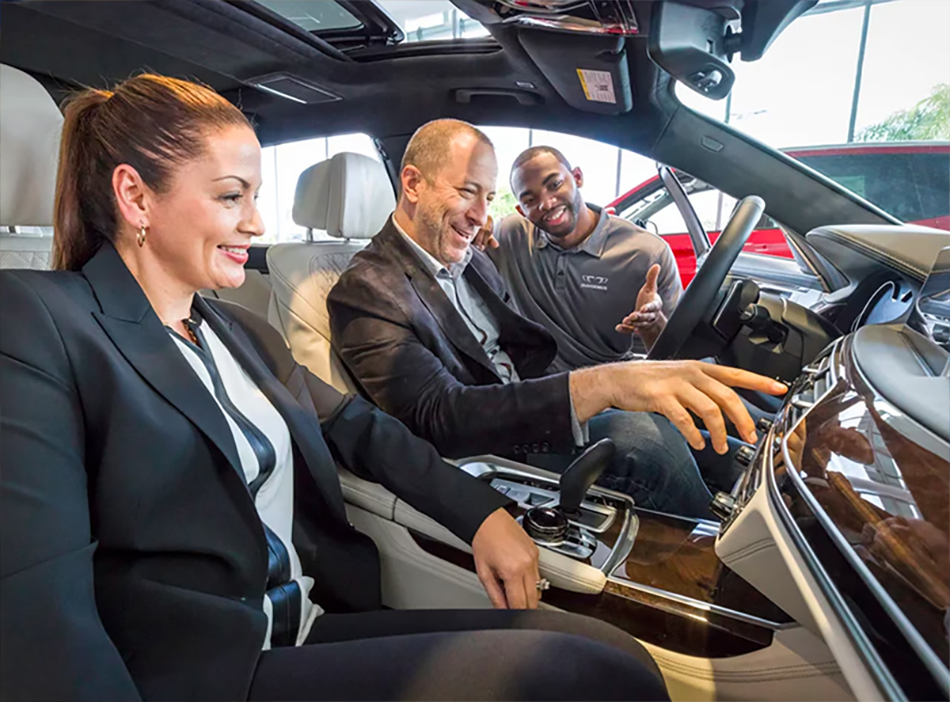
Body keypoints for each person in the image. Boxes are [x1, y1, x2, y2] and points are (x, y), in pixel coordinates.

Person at [0, 75, 672, 702]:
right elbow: (39, 610)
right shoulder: (39, 320)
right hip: (210, 670)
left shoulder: (235, 328)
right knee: (588, 679)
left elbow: (359, 429)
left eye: (256, 197)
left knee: (609, 652)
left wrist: (480, 513)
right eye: (232, 195)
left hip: (306, 619)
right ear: (135, 195)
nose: (258, 224)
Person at [327, 119, 787, 520]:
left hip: (530, 399)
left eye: (488, 197)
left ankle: (781, 483)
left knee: (695, 406)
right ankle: (721, 553)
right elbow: (437, 416)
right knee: (646, 443)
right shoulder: (367, 290)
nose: (481, 215)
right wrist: (599, 387)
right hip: (494, 443)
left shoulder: (475, 256)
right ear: (412, 184)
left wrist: (620, 377)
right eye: (467, 192)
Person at [478, 145, 683, 371]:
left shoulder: (647, 253)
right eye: (530, 199)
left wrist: (652, 323)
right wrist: (473, 225)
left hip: (607, 387)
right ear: (521, 210)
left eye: (554, 185)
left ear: (577, 177)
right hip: (528, 386)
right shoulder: (510, 235)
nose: (546, 203)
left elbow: (673, 358)